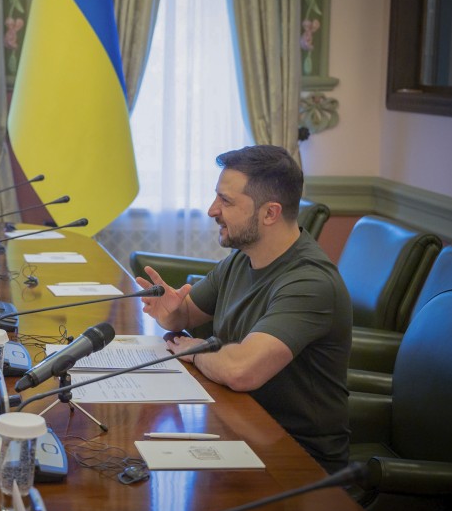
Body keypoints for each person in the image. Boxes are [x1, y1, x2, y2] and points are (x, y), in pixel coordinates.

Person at [135, 145, 352, 472]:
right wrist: (171, 311)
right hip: (238, 425)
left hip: (296, 458)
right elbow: (187, 315)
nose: (211, 210)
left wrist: (193, 351)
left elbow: (241, 371)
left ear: (270, 213)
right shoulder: (242, 258)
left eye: (226, 201)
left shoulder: (310, 282)